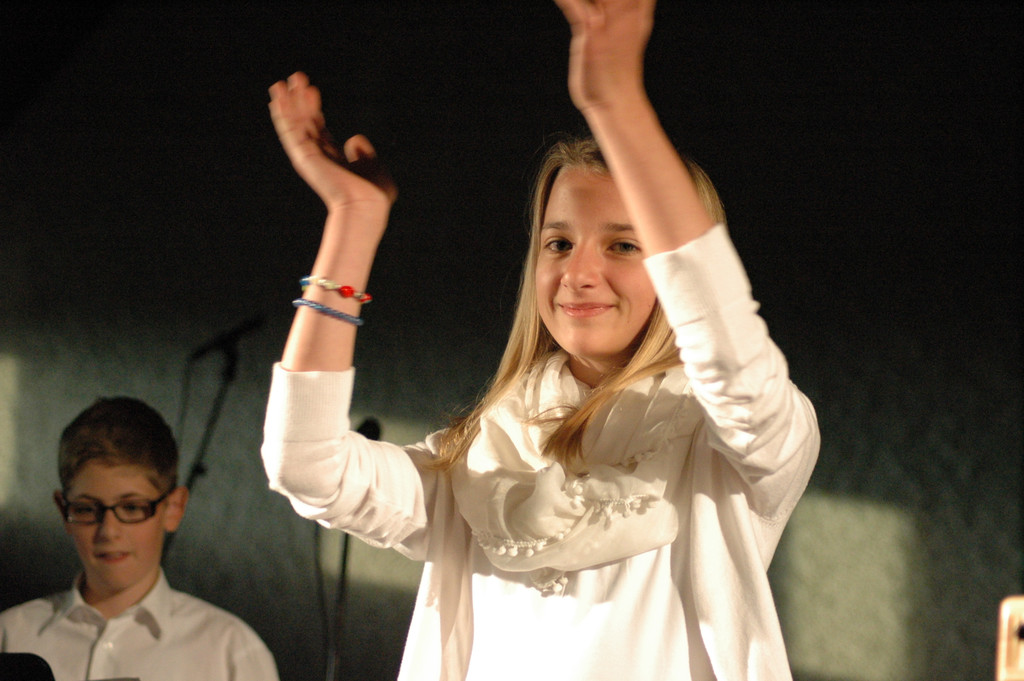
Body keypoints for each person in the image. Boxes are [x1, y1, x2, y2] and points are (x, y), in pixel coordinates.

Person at [261, 0, 819, 679]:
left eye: (623, 245)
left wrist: (618, 107)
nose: (578, 273)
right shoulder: (474, 462)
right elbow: (305, 464)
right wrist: (352, 220)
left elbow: (728, 350)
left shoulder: (733, 442)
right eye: (558, 242)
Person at [0, 397, 279, 681]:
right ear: (63, 510)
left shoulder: (229, 650)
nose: (109, 531)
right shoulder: (11, 635)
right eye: (86, 509)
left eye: (132, 508)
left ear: (174, 508)